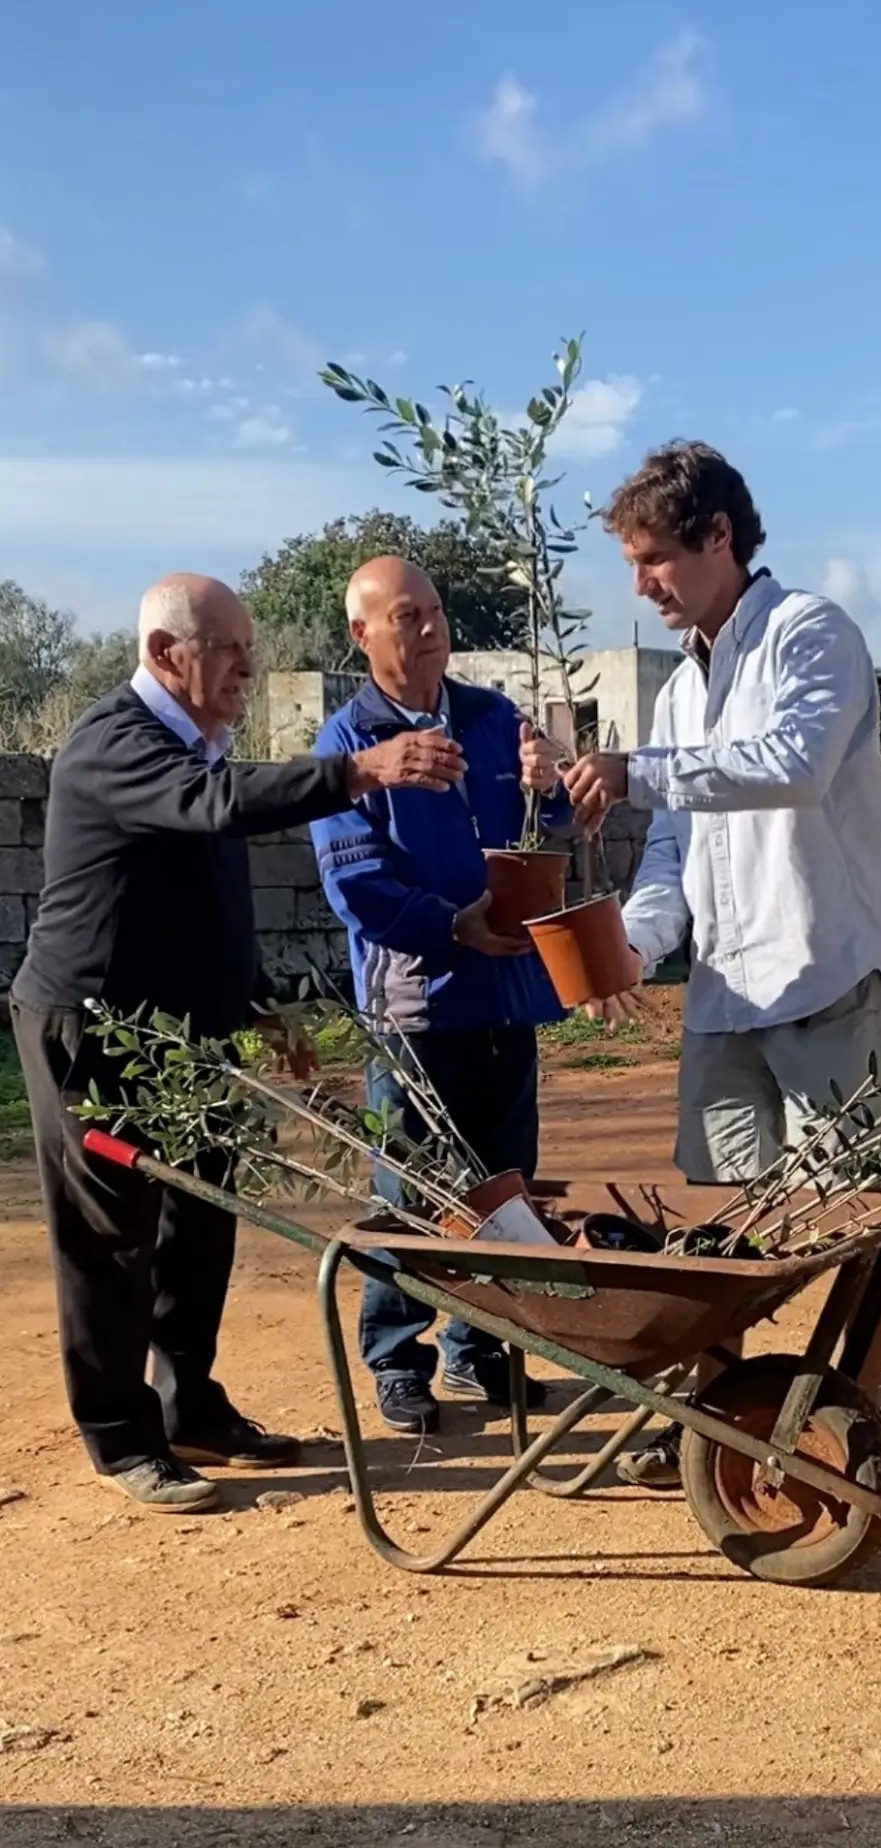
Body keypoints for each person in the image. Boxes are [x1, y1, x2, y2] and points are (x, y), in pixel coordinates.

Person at [9, 574, 462, 1514]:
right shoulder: (115, 746)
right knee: (109, 1233)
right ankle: (118, 1436)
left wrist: (255, 1002)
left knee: (199, 1219)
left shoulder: (197, 744)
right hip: (100, 1030)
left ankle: (192, 1407)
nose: (249, 665)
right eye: (228, 648)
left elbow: (197, 893)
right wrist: (360, 769)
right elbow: (212, 805)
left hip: (188, 1028)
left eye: (249, 646)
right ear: (165, 654)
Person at [562, 442, 881, 1488]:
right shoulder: (679, 691)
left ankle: (840, 1428)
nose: (641, 584)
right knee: (717, 1235)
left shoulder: (811, 635)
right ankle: (715, 1424)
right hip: (726, 998)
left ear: (719, 537)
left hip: (828, 978)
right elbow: (673, 850)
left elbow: (792, 768)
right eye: (630, 563)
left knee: (854, 1222)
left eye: (655, 557)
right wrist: (634, 943)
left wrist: (633, 772)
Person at [309, 556, 572, 1434]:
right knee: (414, 1188)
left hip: (507, 994)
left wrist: (552, 792)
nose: (427, 629)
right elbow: (357, 887)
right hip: (415, 1008)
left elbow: (555, 831)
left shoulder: (498, 720)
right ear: (362, 635)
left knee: (508, 1187)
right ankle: (397, 1358)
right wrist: (450, 924)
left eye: (434, 612)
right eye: (404, 616)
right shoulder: (345, 749)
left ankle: (481, 1348)